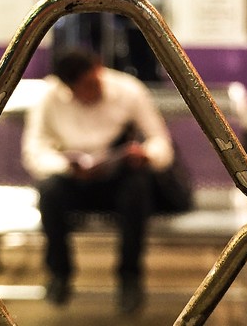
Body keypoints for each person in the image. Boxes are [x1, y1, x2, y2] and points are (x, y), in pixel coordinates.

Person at [21, 49, 174, 313]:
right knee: (49, 191)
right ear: (68, 88)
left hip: (118, 180)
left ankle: (129, 276)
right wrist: (65, 166)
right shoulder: (49, 97)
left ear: (99, 68)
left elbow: (161, 143)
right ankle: (60, 273)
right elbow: (33, 151)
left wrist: (146, 155)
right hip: (75, 180)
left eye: (94, 83)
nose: (92, 92)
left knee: (137, 188)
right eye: (84, 88)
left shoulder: (128, 91)